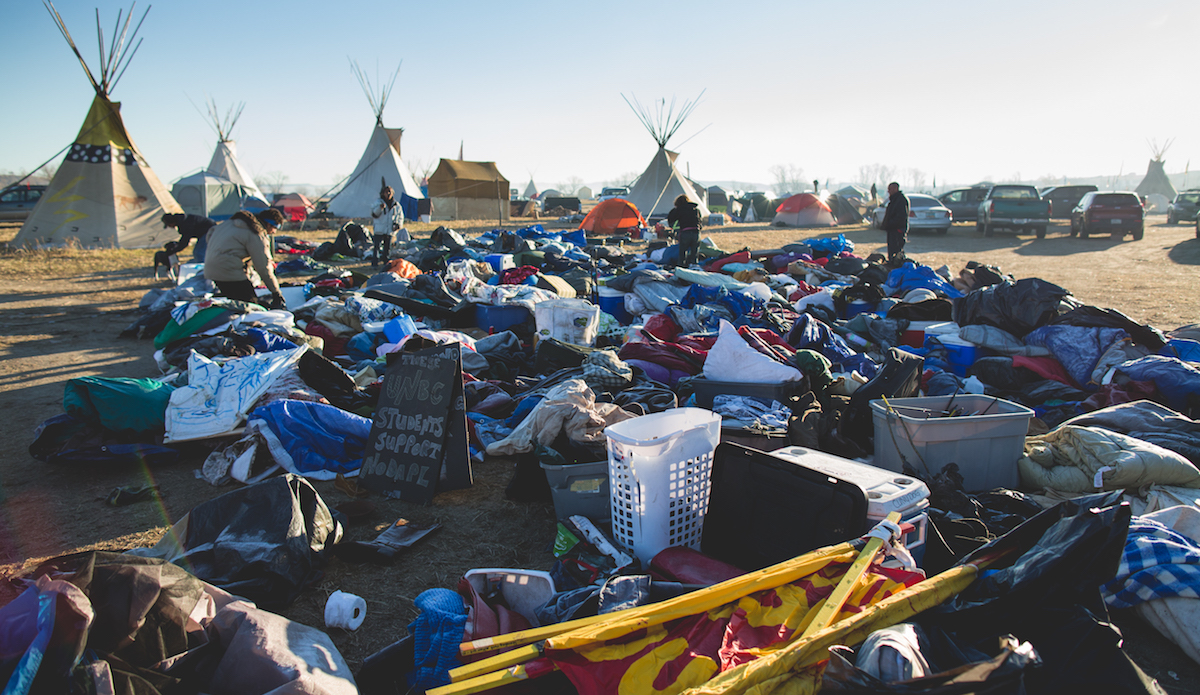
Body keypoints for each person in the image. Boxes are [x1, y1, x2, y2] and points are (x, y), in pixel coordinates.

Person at [203, 208, 286, 308]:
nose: (274, 232)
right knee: (250, 306)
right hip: (229, 270)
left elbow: (210, 234)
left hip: (211, 268)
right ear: (268, 224)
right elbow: (263, 266)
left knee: (235, 302)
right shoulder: (256, 232)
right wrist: (276, 292)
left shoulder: (228, 224)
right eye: (275, 228)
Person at [370, 181, 408, 268]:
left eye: (390, 192)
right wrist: (380, 208)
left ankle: (385, 262)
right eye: (386, 192)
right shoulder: (378, 203)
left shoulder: (396, 205)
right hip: (379, 229)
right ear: (383, 193)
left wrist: (398, 224)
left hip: (389, 229)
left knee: (387, 248)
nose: (388, 193)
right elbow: (374, 214)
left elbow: (400, 216)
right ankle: (375, 263)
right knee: (377, 247)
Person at [666, 194, 703, 267]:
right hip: (696, 232)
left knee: (682, 253)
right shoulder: (695, 209)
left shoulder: (679, 209)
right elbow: (700, 221)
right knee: (694, 253)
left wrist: (674, 229)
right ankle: (694, 267)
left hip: (685, 232)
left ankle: (681, 267)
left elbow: (670, 219)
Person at [880, 181, 911, 262]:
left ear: (896, 189)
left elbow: (901, 216)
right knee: (892, 250)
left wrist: (891, 224)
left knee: (897, 250)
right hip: (892, 229)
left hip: (897, 229)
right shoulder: (894, 199)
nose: (888, 191)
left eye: (890, 189)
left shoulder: (901, 200)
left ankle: (897, 264)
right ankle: (892, 262)